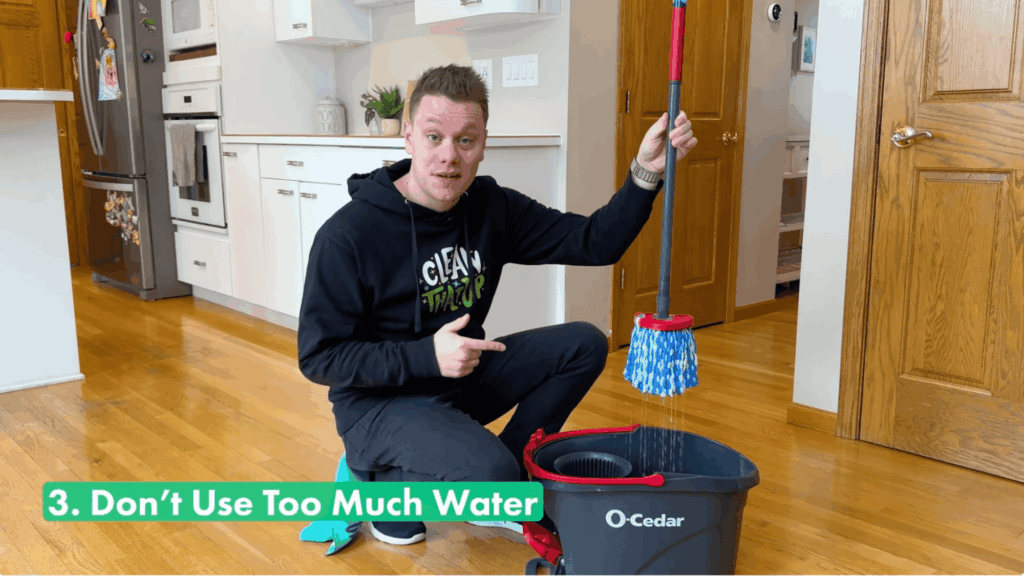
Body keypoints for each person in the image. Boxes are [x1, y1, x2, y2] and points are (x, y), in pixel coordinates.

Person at [297, 64, 697, 546]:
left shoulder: (491, 208)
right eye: (433, 137)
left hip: (457, 379)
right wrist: (426, 355)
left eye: (466, 141)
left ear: (484, 142)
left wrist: (646, 173)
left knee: (584, 345)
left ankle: (499, 479)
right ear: (408, 138)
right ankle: (382, 487)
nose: (449, 158)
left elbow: (595, 243)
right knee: (485, 480)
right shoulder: (348, 235)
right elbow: (318, 357)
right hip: (377, 406)